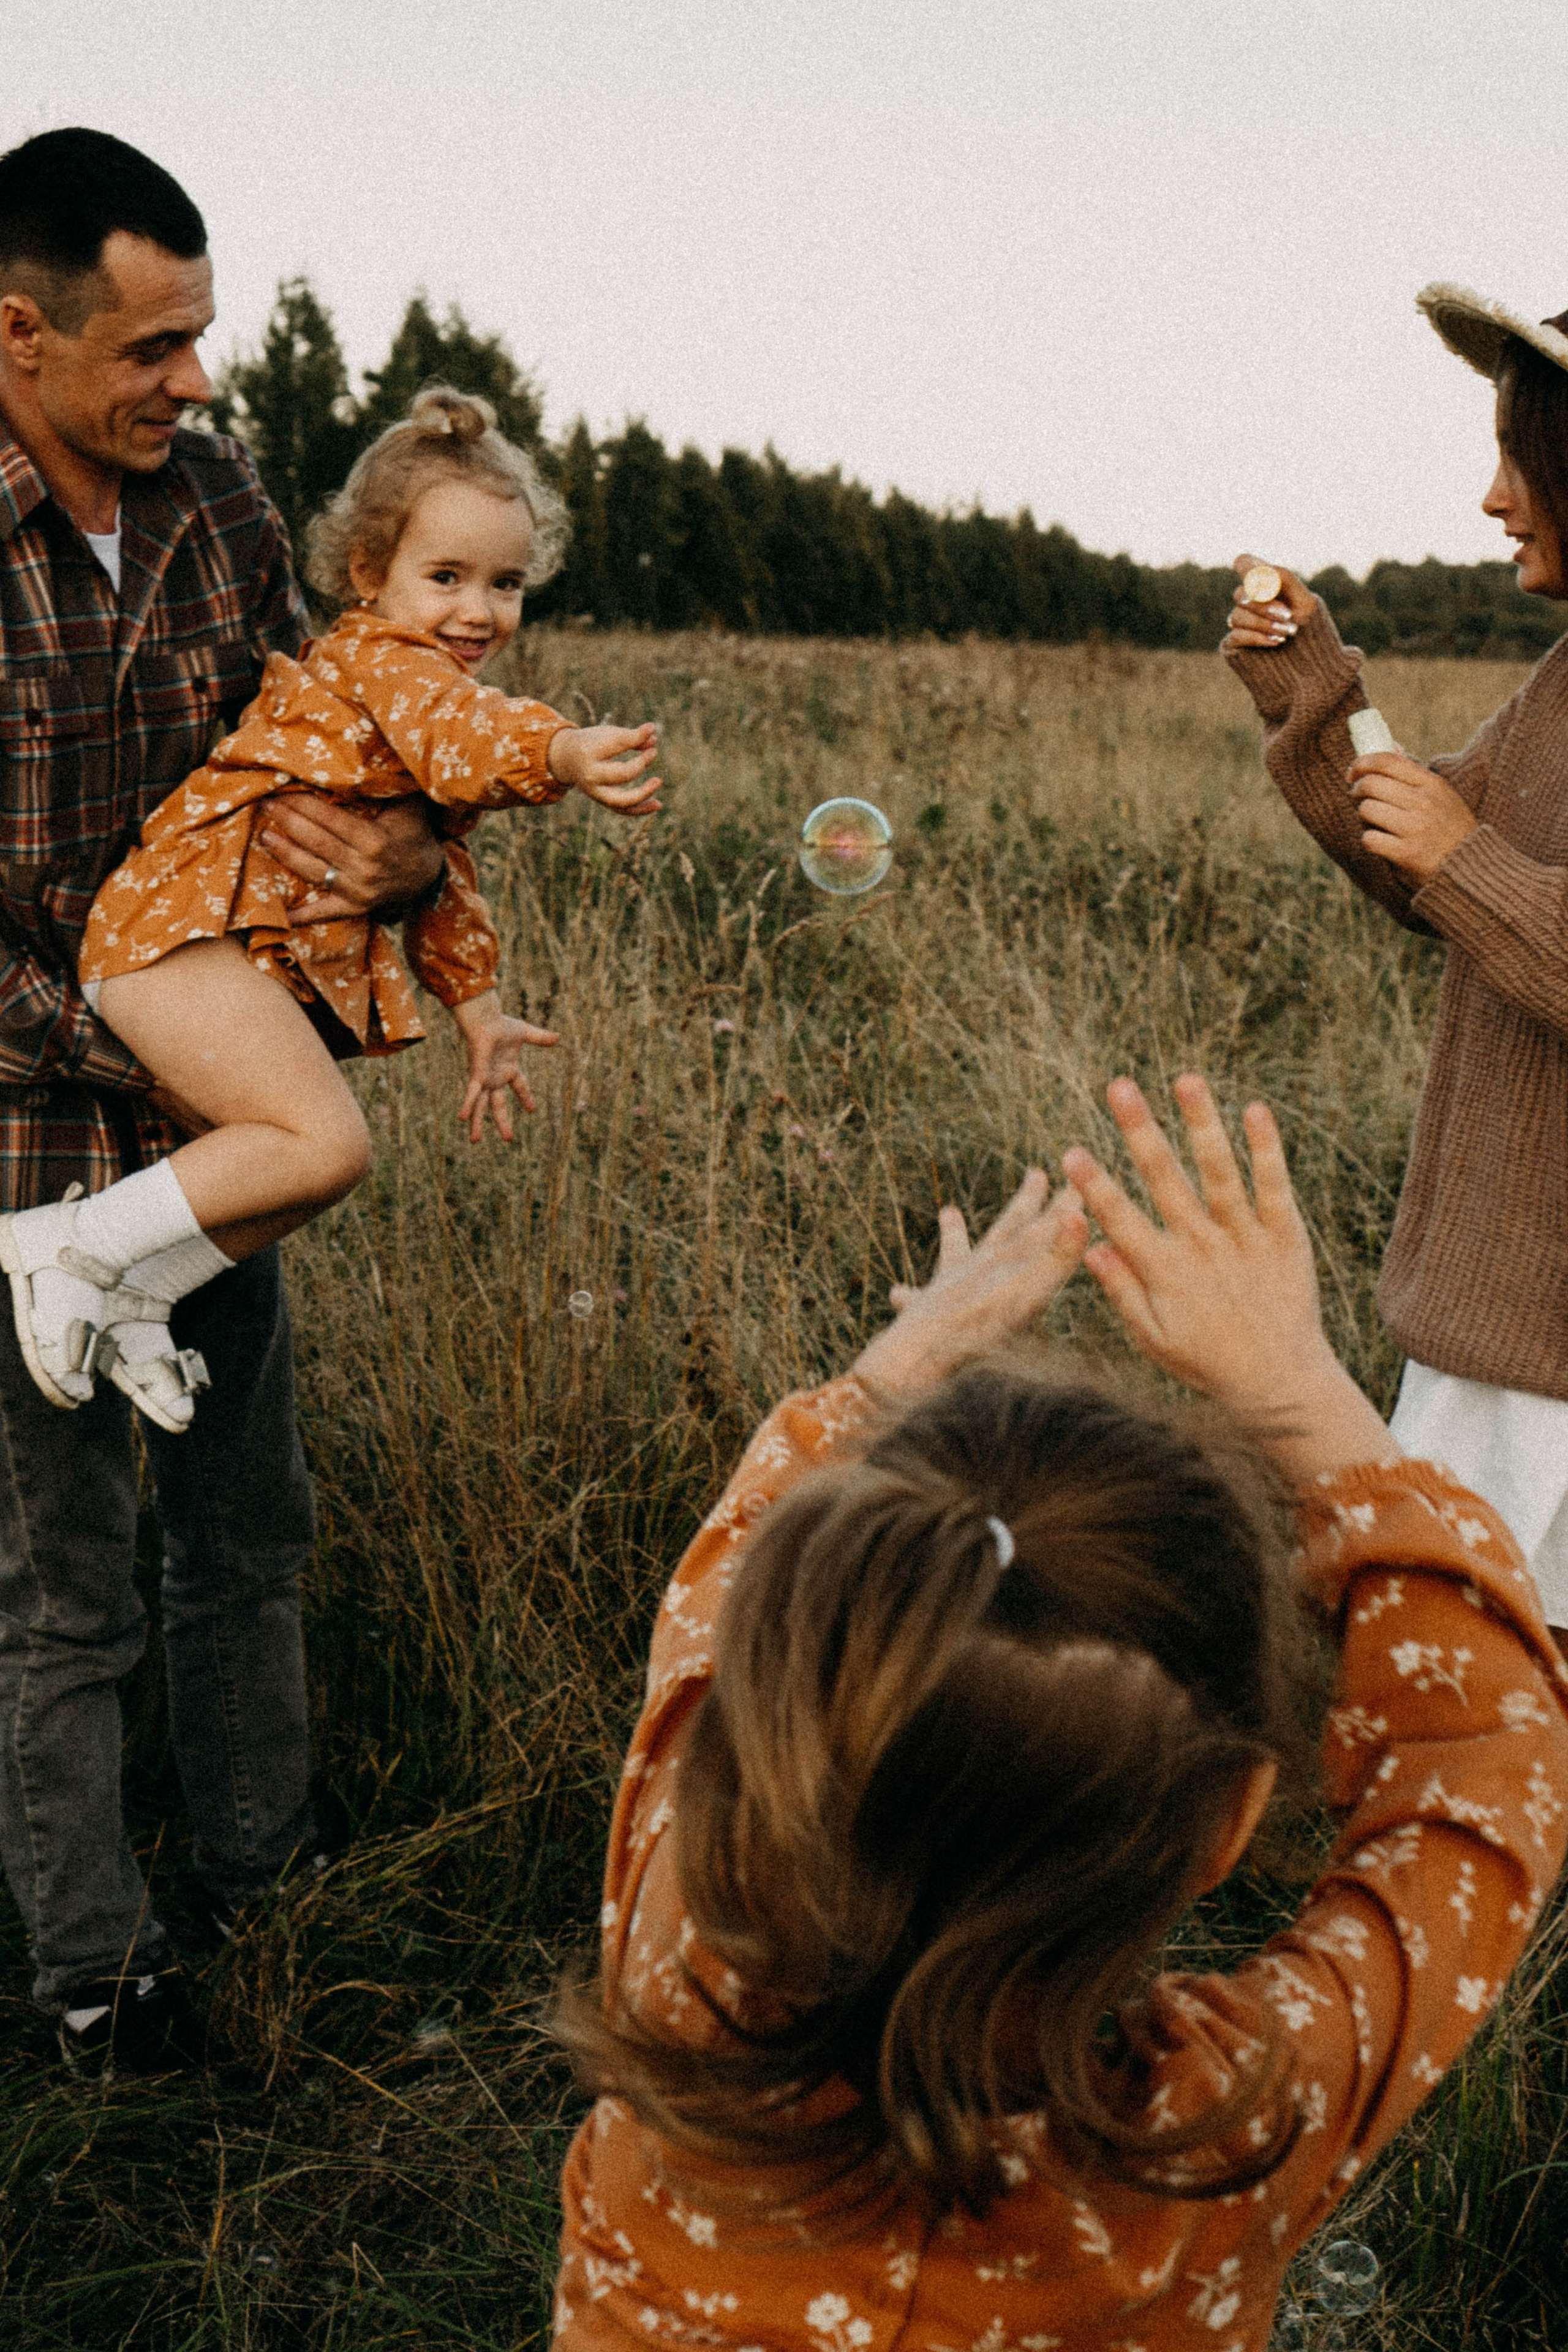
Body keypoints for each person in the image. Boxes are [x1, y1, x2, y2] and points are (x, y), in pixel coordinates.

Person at [549, 1073, 1568, 2351]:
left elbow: (719, 1603)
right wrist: (1296, 1390)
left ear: (772, 1734)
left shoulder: (675, 1957)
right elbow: (1482, 1775)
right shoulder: (1220, 2138)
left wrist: (893, 1369)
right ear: (1228, 1819)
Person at [0, 126, 445, 2071]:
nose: (194, 383)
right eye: (149, 348)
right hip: (33, 1156)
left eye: (203, 336)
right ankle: (97, 1984)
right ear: (19, 334)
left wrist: (406, 851)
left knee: (248, 1534)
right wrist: (160, 1047)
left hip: (222, 1146)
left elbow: (332, 729)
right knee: (62, 1592)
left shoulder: (225, 498)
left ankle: (277, 1889)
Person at [0, 383, 663, 1436]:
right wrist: (566, 751)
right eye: (444, 577)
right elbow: (468, 738)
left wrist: (479, 1014)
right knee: (325, 1144)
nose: (479, 611)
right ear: (370, 576)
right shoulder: (382, 663)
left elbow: (442, 870)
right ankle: (58, 1247)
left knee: (298, 1175)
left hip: (199, 950)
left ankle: (134, 1290)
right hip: (167, 936)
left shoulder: (423, 679)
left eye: (506, 583)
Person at [1224, 282, 1568, 1639]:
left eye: (1518, 458)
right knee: (1485, 1677)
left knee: (1462, 1669)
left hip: (1540, 1357)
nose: (1493, 498)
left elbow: (1455, 867)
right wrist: (1312, 686)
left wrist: (1465, 861)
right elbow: (1411, 862)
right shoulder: (1559, 684)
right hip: (1502, 1336)